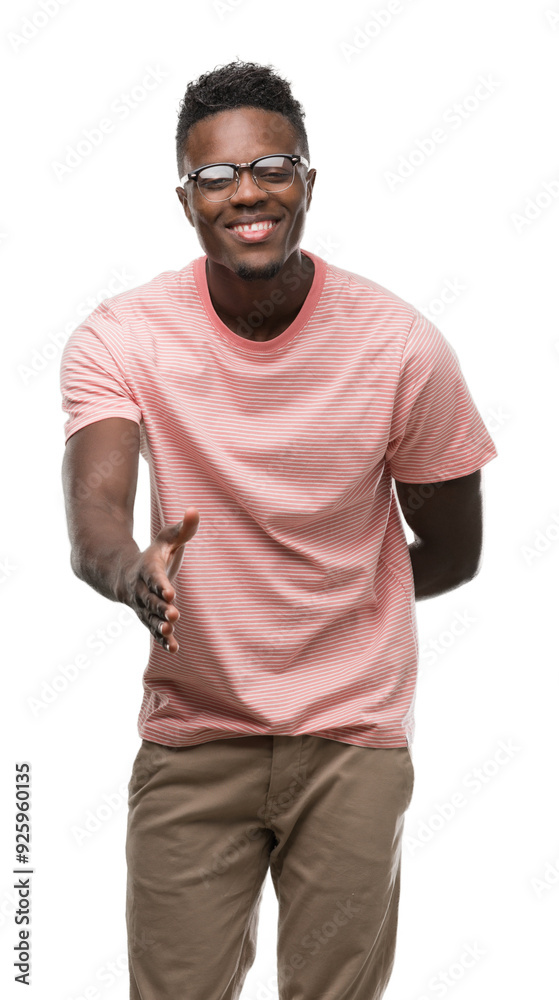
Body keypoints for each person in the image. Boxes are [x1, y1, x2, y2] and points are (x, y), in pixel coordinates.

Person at [60, 59, 498, 1000]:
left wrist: (330, 599)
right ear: (185, 199)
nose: (245, 192)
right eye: (214, 176)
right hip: (195, 736)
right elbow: (95, 513)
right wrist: (133, 570)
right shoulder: (122, 337)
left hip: (350, 740)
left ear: (307, 181)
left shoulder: (401, 348)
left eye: (271, 167)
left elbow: (455, 552)